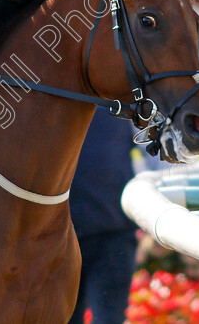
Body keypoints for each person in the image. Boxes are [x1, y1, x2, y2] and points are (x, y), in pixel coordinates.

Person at [68, 109, 139, 324]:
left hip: (113, 236)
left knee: (108, 319)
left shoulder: (124, 101)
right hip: (63, 238)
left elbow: (159, 155)